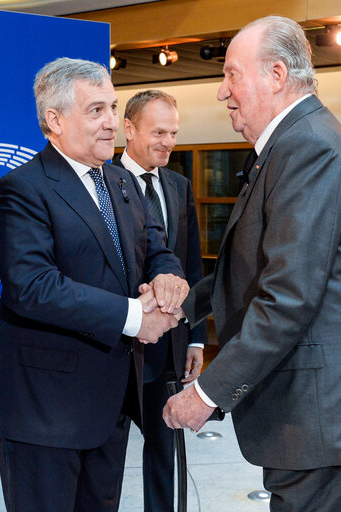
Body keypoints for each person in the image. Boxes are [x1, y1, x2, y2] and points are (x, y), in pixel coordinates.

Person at [162, 16, 341, 512]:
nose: (222, 92)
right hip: (322, 421)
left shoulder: (308, 148)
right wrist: (177, 307)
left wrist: (207, 394)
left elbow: (287, 298)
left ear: (276, 75)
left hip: (333, 421)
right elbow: (259, 266)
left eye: (232, 75)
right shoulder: (292, 144)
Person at [0, 57, 189, 512]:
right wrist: (137, 318)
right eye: (97, 110)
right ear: (54, 120)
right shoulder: (22, 188)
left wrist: (169, 277)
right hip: (45, 415)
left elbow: (157, 247)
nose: (112, 122)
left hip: (110, 404)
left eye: (113, 108)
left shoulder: (121, 182)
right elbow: (32, 286)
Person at [112, 89, 207, 512]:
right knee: (105, 453)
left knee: (163, 451)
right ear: (128, 130)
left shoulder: (178, 185)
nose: (168, 141)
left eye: (173, 132)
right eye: (158, 132)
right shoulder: (99, 183)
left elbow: (190, 266)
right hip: (114, 346)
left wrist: (196, 340)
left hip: (167, 348)